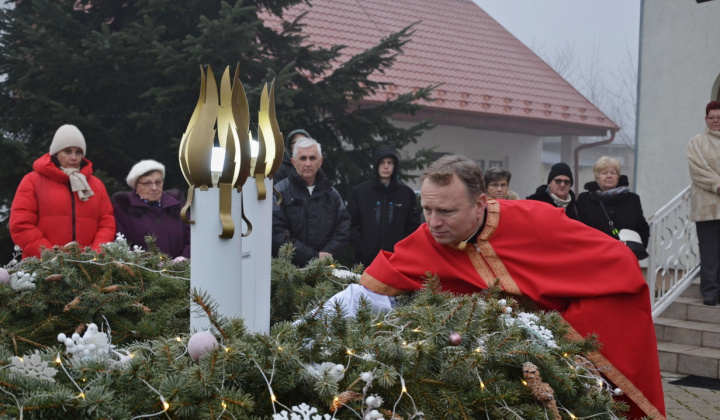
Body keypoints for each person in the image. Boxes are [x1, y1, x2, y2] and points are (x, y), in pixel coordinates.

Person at [325, 155, 665, 420]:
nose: (433, 223)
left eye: (445, 211)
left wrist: (568, 330)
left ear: (479, 204)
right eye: (426, 209)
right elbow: (370, 288)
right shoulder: (429, 239)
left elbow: (618, 262)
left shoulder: (539, 221)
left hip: (557, 358)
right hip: (490, 372)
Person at [9, 124, 116, 259]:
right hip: (42, 267)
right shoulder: (32, 180)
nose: (73, 157)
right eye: (67, 151)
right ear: (56, 152)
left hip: (89, 270)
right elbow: (21, 225)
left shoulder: (96, 185)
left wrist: (96, 257)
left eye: (78, 152)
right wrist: (52, 258)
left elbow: (106, 224)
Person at [272, 138, 350, 266]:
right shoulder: (279, 192)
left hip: (324, 269)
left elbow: (343, 228)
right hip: (287, 271)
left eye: (312, 158)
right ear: (293, 162)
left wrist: (327, 254)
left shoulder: (332, 194)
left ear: (320, 162)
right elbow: (276, 234)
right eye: (303, 158)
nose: (308, 163)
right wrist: (312, 257)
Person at [346, 145, 420, 267]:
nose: (386, 167)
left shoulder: (406, 194)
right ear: (376, 165)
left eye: (390, 163)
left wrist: (401, 250)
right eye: (382, 162)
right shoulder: (360, 192)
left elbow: (413, 227)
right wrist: (362, 248)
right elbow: (350, 223)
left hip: (397, 261)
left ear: (395, 166)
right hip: (365, 262)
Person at [112, 160, 190, 258]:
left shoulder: (177, 206)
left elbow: (192, 239)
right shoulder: (123, 209)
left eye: (158, 182)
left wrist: (184, 258)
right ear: (136, 186)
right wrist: (149, 263)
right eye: (147, 183)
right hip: (141, 271)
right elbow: (120, 246)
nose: (154, 188)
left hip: (182, 270)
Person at [576, 156, 650, 257]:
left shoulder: (632, 199)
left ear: (618, 176)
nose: (609, 176)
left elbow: (642, 228)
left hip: (622, 257)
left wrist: (634, 251)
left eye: (613, 173)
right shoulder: (585, 199)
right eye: (604, 173)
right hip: (593, 256)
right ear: (597, 177)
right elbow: (578, 228)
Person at [687, 100, 720, 306]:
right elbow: (698, 170)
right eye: (712, 117)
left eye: (719, 117)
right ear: (706, 120)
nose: (716, 121)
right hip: (706, 208)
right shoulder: (696, 142)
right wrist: (717, 185)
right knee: (709, 253)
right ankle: (710, 292)